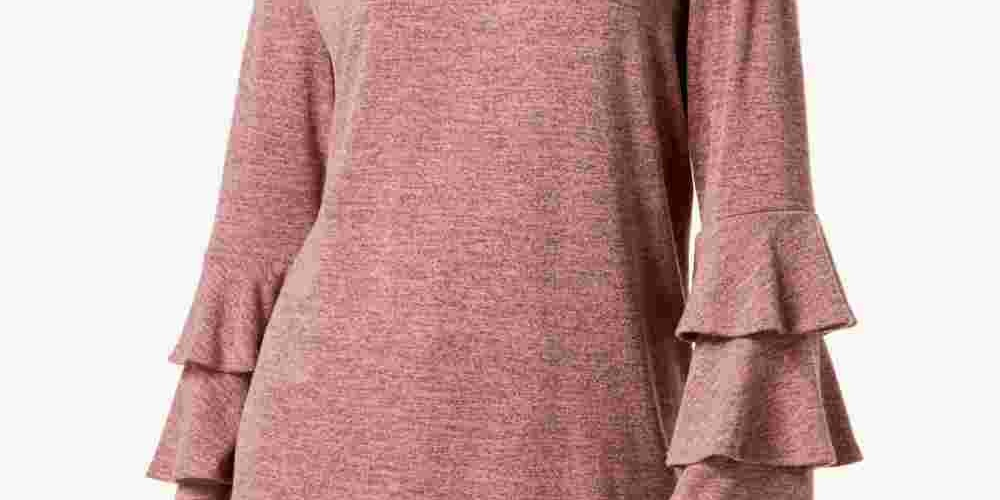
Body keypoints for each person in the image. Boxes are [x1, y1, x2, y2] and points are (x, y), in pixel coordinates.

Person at [145, 1, 863, 499]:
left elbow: (757, 220)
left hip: (590, 462)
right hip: (316, 457)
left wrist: (736, 482)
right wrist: (205, 481)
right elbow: (260, 228)